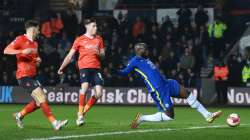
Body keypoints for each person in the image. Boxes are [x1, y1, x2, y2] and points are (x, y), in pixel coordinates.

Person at [117, 43, 222, 129]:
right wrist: (113, 70)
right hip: (158, 89)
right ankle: (142, 118)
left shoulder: (146, 59)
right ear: (139, 51)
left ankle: (208, 115)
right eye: (146, 49)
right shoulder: (134, 61)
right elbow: (124, 72)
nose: (148, 51)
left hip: (167, 83)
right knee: (169, 116)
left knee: (187, 94)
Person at [3, 20, 68, 130]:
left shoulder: (35, 43)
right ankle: (55, 123)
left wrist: (37, 60)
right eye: (38, 29)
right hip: (23, 76)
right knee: (41, 96)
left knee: (39, 102)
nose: (39, 31)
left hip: (33, 76)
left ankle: (19, 115)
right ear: (33, 29)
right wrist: (21, 52)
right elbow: (6, 50)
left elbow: (34, 59)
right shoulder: (20, 39)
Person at [58, 18, 105, 126]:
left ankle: (81, 113)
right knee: (84, 88)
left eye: (96, 26)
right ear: (87, 26)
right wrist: (62, 67)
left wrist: (100, 54)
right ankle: (80, 116)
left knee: (99, 93)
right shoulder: (79, 40)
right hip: (84, 67)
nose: (96, 28)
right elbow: (70, 55)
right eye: (93, 26)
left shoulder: (99, 39)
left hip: (96, 68)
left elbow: (103, 54)